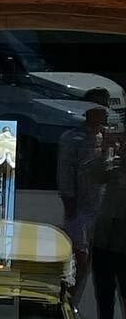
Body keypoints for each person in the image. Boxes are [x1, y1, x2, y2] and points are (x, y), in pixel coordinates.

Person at [58, 90, 112, 299]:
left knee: (91, 259)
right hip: (80, 206)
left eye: (104, 107)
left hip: (103, 207)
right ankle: (66, 297)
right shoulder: (73, 139)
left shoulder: (108, 138)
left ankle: (75, 300)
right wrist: (69, 202)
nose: (101, 112)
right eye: (97, 106)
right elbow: (65, 173)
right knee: (76, 257)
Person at [91, 135, 126, 319]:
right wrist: (104, 150)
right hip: (104, 236)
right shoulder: (113, 164)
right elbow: (95, 175)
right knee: (104, 293)